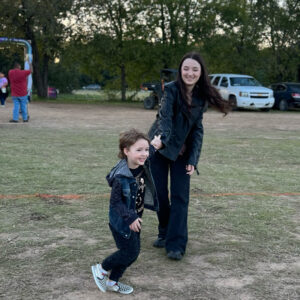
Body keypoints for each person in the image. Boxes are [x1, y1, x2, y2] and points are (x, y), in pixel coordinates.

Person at [149, 51, 230, 261]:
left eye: (195, 69)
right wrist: (163, 139)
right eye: (186, 68)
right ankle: (164, 230)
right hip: (159, 146)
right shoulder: (171, 90)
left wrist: (193, 159)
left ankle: (175, 245)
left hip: (182, 152)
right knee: (159, 194)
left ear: (201, 72)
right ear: (180, 70)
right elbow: (164, 118)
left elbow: (197, 129)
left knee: (180, 197)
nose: (190, 73)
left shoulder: (201, 98)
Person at [91, 129, 160, 294]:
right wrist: (130, 217)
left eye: (146, 150)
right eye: (139, 150)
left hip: (135, 219)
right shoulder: (121, 176)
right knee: (129, 251)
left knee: (132, 253)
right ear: (126, 151)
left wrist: (154, 146)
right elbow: (115, 201)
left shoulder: (142, 162)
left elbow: (149, 152)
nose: (144, 154)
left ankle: (112, 282)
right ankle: (101, 268)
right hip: (122, 222)